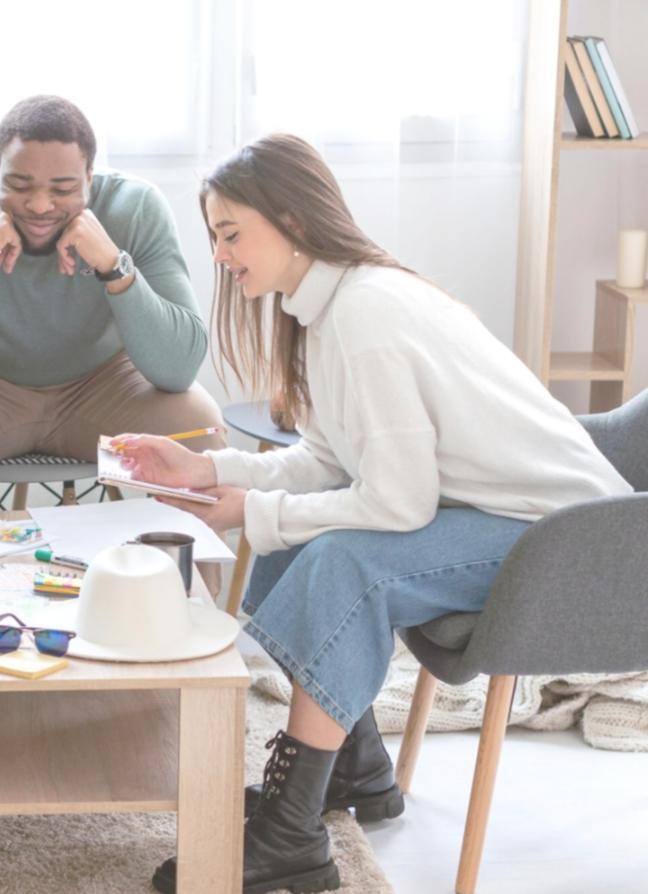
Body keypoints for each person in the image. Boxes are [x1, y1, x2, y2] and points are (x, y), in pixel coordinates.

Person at [113, 134, 632, 894]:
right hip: (514, 519)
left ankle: (291, 836)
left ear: (291, 220)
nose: (219, 256)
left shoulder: (366, 316)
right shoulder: (331, 308)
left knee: (341, 557)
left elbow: (397, 502)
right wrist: (209, 469)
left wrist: (254, 509)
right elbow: (327, 462)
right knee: (296, 538)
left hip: (575, 542)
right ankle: (353, 766)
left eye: (230, 234)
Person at [0, 95, 226, 481]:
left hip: (102, 386)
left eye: (63, 189)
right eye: (19, 185)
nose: (39, 206)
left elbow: (179, 369)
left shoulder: (135, 208)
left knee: (200, 433)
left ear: (90, 178)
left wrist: (113, 266)